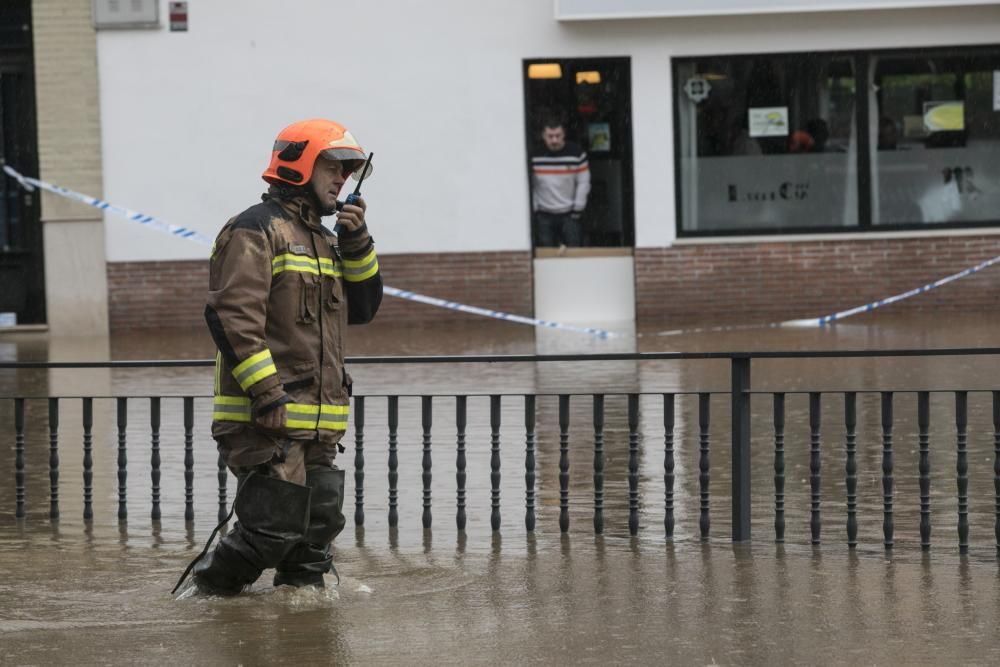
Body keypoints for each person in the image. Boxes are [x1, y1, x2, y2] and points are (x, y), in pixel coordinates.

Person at [188, 118, 382, 596]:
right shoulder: (254, 230)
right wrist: (268, 395)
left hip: (318, 424)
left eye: (349, 170)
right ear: (299, 166)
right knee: (269, 532)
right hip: (264, 420)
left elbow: (364, 309)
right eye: (334, 167)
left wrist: (356, 243)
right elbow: (233, 320)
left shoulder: (326, 239)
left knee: (314, 539)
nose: (342, 179)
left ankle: (301, 630)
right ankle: (202, 603)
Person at [531, 120, 591, 247]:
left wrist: (578, 209)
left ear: (564, 135)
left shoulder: (577, 153)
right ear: (543, 136)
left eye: (558, 136)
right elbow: (530, 183)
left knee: (574, 254)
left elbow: (583, 182)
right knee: (546, 257)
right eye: (550, 136)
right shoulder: (534, 155)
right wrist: (535, 208)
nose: (554, 140)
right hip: (543, 214)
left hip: (570, 214)